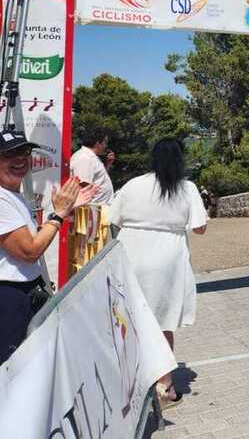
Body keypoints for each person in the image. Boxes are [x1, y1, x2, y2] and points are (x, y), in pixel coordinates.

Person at [109, 138, 208, 408]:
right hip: (167, 257)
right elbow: (200, 227)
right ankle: (164, 385)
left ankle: (129, 382)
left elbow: (113, 220)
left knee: (131, 319)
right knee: (162, 322)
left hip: (130, 252)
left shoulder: (133, 185)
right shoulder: (186, 188)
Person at [1, 130, 94, 365]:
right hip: (9, 296)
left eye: (25, 152)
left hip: (24, 292)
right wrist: (59, 214)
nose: (20, 159)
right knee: (9, 369)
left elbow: (31, 237)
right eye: (10, 154)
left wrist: (64, 211)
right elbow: (29, 251)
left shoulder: (12, 195)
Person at [69, 129, 115, 204]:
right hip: (91, 210)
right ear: (97, 143)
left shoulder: (91, 157)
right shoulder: (84, 158)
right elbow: (83, 186)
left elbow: (99, 180)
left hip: (98, 209)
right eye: (105, 142)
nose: (106, 146)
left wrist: (108, 164)